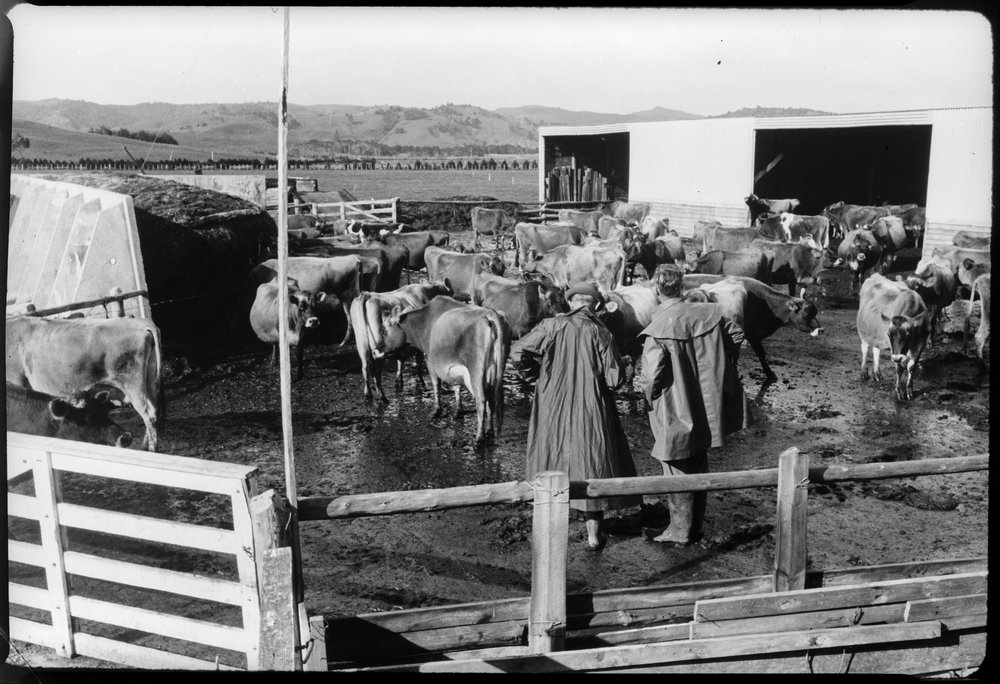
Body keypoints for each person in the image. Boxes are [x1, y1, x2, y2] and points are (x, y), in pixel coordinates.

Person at [510, 282, 641, 550]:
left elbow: (517, 351)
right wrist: (625, 364)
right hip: (591, 407)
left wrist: (537, 378)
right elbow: (614, 380)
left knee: (551, 455)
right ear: (596, 306)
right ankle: (594, 536)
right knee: (592, 462)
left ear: (571, 303)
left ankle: (549, 530)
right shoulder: (601, 332)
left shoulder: (551, 326)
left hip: (552, 403)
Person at [638, 265, 749, 546]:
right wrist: (719, 364)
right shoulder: (709, 313)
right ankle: (693, 525)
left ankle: (679, 530)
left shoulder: (659, 326)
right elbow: (737, 335)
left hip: (674, 406)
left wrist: (649, 397)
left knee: (675, 465)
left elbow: (650, 376)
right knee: (698, 460)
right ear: (681, 286)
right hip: (706, 401)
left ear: (657, 289)